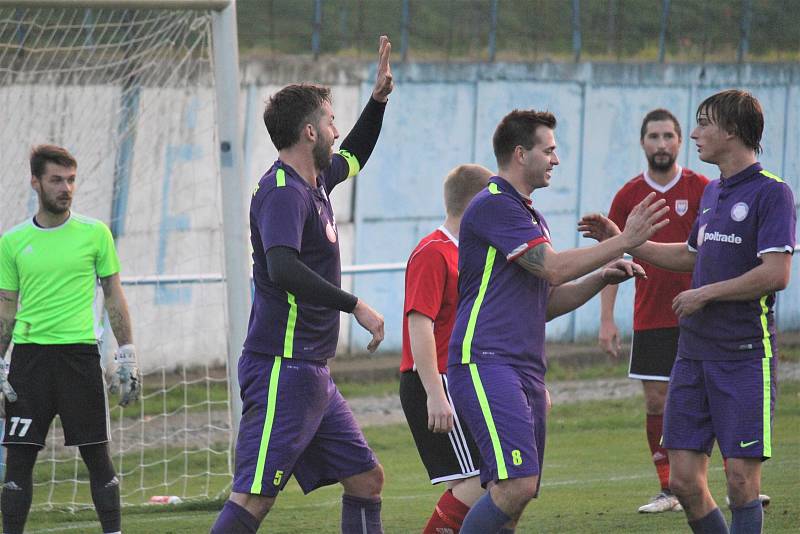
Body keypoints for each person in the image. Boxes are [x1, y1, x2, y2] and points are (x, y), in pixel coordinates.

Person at [445, 109, 669, 534]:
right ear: (520, 154)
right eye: (549, 150)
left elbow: (545, 301)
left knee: (515, 500)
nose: (556, 159)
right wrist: (625, 240)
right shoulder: (494, 204)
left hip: (524, 365)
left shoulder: (530, 216)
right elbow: (552, 268)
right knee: (515, 486)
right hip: (486, 360)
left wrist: (602, 275)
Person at [581, 89, 794, 534]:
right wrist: (621, 239)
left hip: (743, 355)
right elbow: (689, 254)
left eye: (703, 124)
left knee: (740, 482)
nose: (694, 133)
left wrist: (706, 295)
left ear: (732, 131)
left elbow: (776, 273)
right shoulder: (714, 191)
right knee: (682, 480)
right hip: (693, 355)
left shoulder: (773, 193)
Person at [210, 36, 394, 534]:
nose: (337, 128)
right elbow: (282, 269)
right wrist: (353, 304)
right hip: (281, 368)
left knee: (366, 479)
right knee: (252, 499)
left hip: (311, 372)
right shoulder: (282, 193)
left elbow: (356, 153)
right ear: (310, 131)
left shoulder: (317, 182)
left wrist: (377, 102)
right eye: (332, 120)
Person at [0, 144, 140, 534]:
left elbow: (114, 295)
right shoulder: (12, 242)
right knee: (18, 464)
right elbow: (6, 308)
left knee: (99, 459)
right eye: (56, 180)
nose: (66, 188)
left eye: (71, 180)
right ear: (36, 182)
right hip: (29, 364)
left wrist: (126, 353)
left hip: (80, 359)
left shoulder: (95, 234)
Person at [598, 109, 709, 513]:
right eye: (653, 136)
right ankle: (669, 490)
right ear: (643, 143)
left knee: (711, 398)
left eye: (668, 136)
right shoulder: (628, 195)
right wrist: (607, 318)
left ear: (680, 141)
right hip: (651, 317)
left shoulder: (703, 188)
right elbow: (611, 255)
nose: (661, 144)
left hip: (701, 313)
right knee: (656, 402)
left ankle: (729, 482)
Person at [399, 164, 492, 533]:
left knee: (492, 481)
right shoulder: (434, 252)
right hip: (437, 380)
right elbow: (418, 324)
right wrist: (435, 395)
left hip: (463, 378)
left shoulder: (474, 252)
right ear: (475, 206)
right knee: (482, 480)